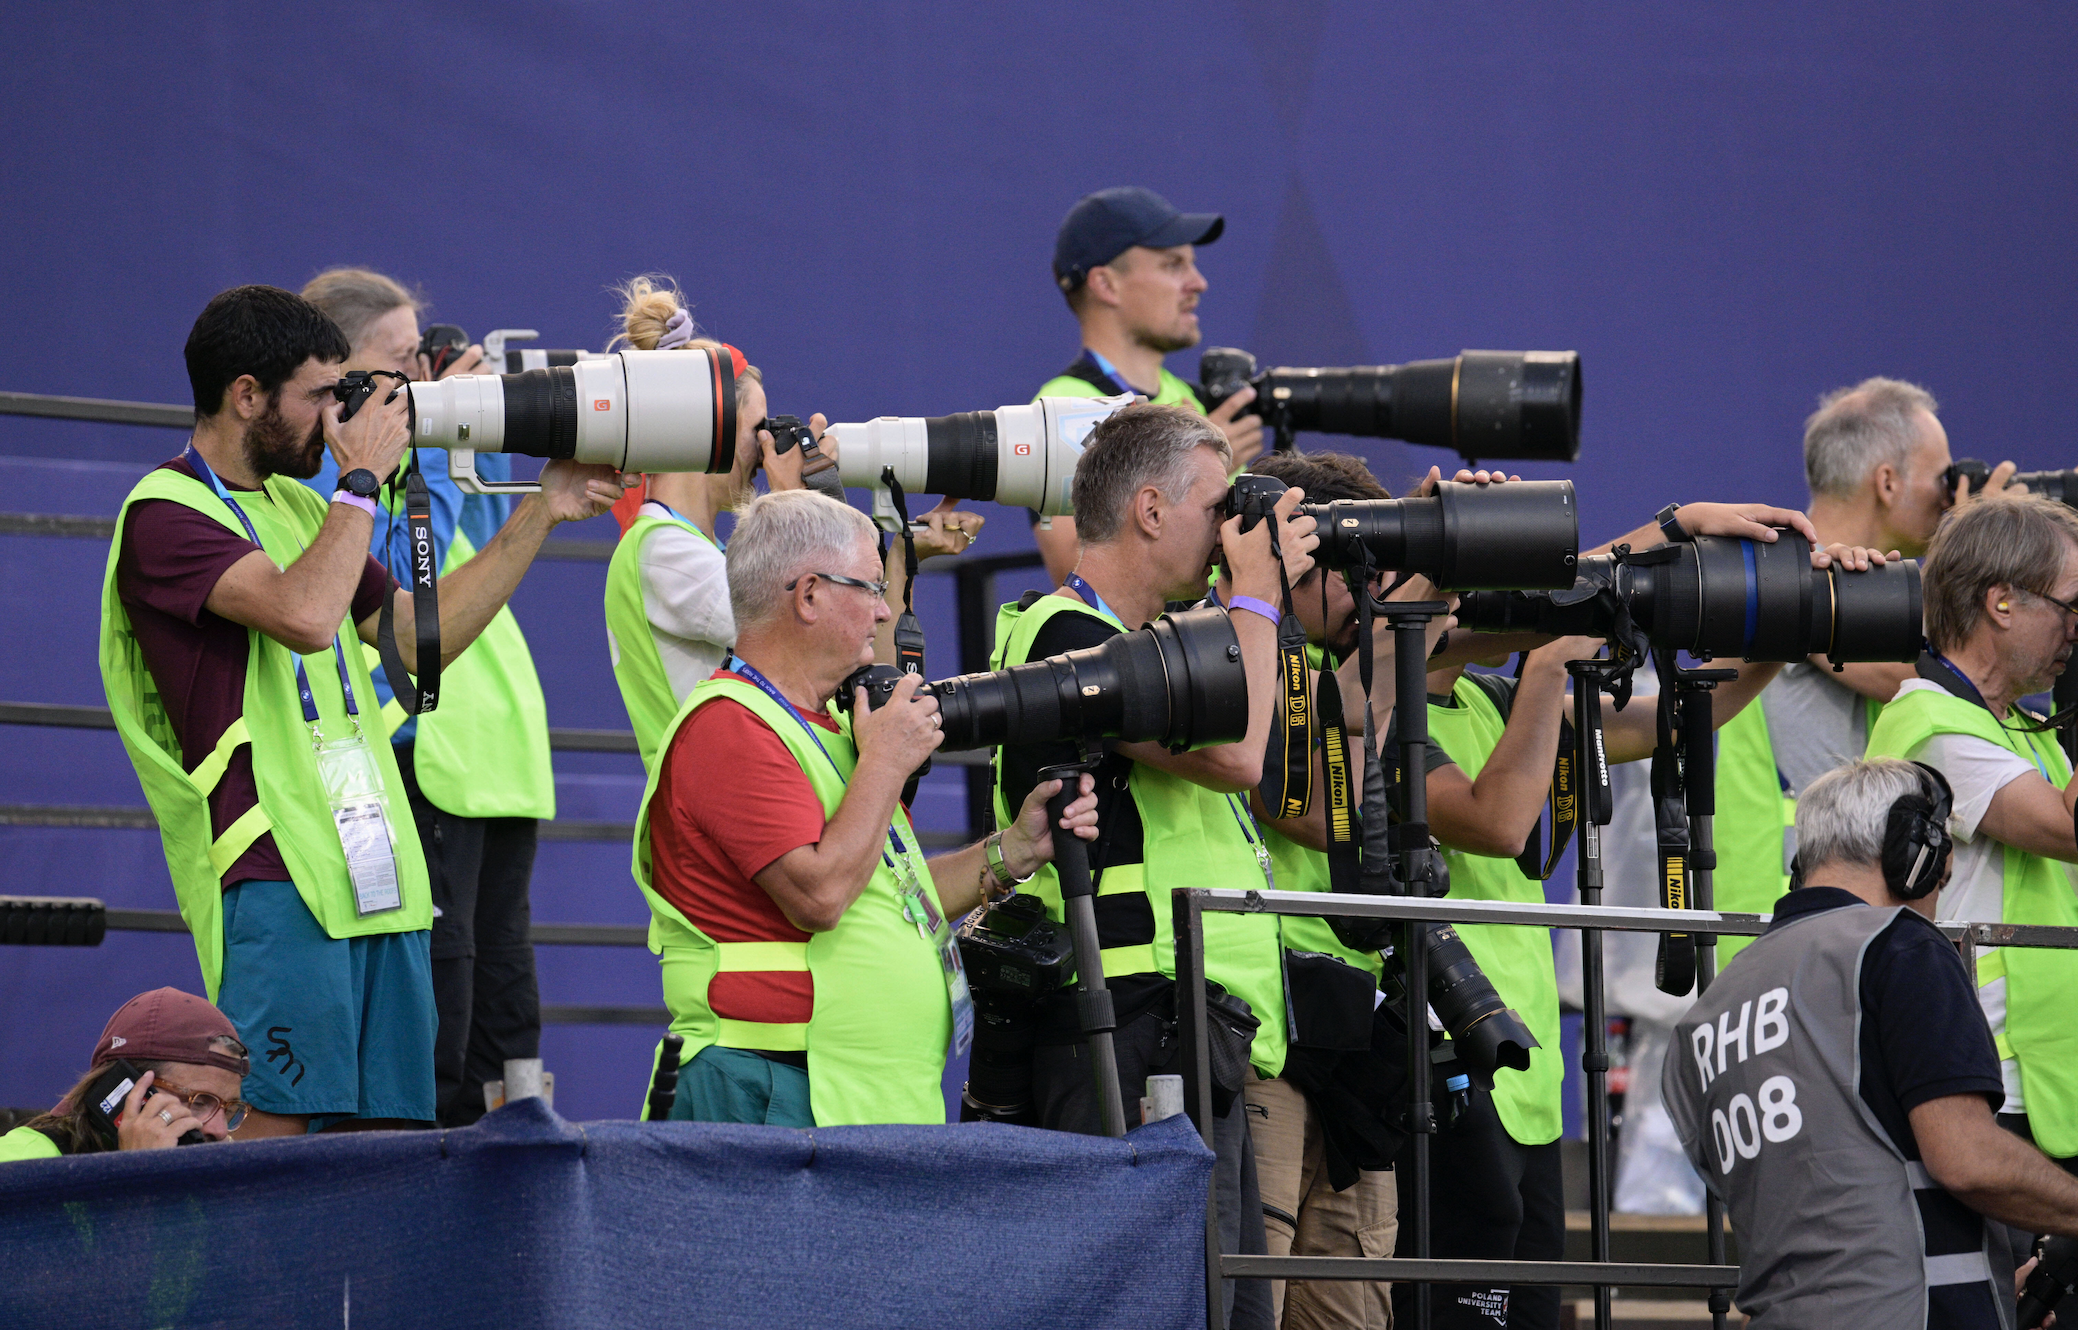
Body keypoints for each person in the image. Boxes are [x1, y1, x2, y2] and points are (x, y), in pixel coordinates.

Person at [101, 285, 624, 1135]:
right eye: (318, 395)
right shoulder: (166, 512)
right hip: (277, 873)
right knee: (280, 1135)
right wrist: (361, 480)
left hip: (377, 870)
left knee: (394, 1140)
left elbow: (420, 640)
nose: (337, 417)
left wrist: (543, 510)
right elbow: (305, 615)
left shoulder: (303, 506)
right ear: (246, 395)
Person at [992, 403, 1317, 1330]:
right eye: (1216, 509)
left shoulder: (1167, 643)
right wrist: (1256, 592)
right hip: (1119, 1025)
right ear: (1148, 508)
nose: (1227, 534)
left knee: (1230, 1313)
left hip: (1181, 1028)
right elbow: (1240, 754)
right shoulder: (1066, 639)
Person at [632, 489, 1096, 1127]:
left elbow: (893, 897)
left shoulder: (830, 726)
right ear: (809, 595)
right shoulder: (730, 726)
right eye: (873, 588)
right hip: (768, 1087)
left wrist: (1013, 850)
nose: (884, 611)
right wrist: (886, 761)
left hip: (850, 1096)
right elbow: (821, 895)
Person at [1663, 758, 2078, 1327]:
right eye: (1941, 882)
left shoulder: (1708, 1015)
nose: (1936, 903)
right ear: (1914, 858)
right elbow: (1968, 1160)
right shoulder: (1901, 947)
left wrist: (1988, 1292)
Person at [299, 267, 553, 1128]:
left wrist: (473, 431)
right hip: (415, 756)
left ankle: (508, 1155)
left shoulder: (420, 459)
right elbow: (419, 588)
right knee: (444, 997)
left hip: (491, 763)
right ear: (337, 369)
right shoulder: (328, 475)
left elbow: (480, 548)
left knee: (504, 1012)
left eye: (423, 357)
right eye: (402, 359)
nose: (420, 377)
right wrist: (433, 453)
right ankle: (432, 1170)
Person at [603, 277, 984, 771]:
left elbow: (861, 651)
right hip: (724, 794)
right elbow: (806, 620)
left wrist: (903, 558)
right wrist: (794, 502)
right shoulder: (662, 552)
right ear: (709, 428)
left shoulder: (704, 550)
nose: (767, 449)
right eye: (756, 429)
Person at [1710, 377, 2019, 961]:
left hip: (1854, 909)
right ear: (1887, 481)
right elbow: (1938, 679)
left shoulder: (1823, 584)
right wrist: (1977, 547)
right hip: (1787, 916)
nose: (1950, 497)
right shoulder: (1790, 584)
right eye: (1943, 478)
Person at [1867, 494, 2078, 1173]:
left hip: (2043, 1080)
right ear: (2001, 602)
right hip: (1986, 1077)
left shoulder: (2018, 726)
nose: (2075, 630)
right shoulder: (1933, 724)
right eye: (2072, 607)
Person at [1028, 186, 1266, 584]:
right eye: (1173, 265)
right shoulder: (1060, 408)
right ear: (1106, 285)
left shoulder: (1198, 402)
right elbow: (1075, 570)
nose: (1198, 283)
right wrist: (1196, 470)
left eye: (1192, 264)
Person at [0, 988, 250, 1161]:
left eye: (229, 1111)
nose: (220, 1131)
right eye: (200, 1102)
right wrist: (139, 1173)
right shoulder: (22, 1160)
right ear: (123, 1090)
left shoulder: (214, 1176)